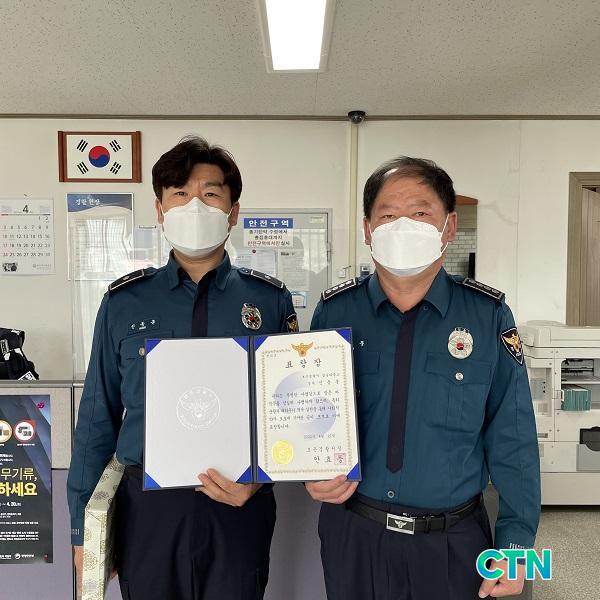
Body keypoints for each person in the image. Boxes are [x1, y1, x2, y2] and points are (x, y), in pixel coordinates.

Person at [67, 136, 297, 600]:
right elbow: (96, 418)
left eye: (210, 194)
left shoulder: (269, 301)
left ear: (232, 211)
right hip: (147, 508)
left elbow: (289, 409)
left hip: (239, 502)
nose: (195, 205)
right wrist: (82, 530)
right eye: (180, 193)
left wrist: (260, 480)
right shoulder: (124, 302)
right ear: (160, 209)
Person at [306, 157, 540, 599]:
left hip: (453, 543)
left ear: (449, 226)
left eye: (420, 213)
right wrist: (310, 474)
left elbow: (514, 440)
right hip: (354, 534)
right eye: (388, 215)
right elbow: (310, 415)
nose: (403, 227)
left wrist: (516, 548)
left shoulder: (487, 315)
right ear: (367, 229)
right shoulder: (335, 312)